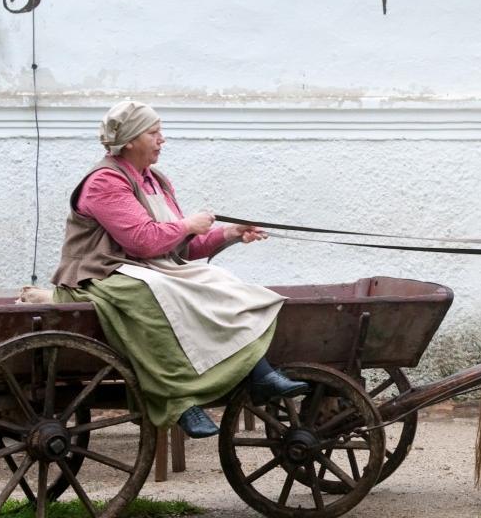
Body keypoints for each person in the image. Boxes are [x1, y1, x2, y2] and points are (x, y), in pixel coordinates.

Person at [53, 100, 308, 439]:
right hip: (99, 274)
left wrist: (229, 233)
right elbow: (143, 240)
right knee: (156, 295)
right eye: (154, 132)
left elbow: (178, 248)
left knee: (220, 281)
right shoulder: (104, 182)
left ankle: (257, 374)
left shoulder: (155, 180)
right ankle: (179, 399)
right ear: (130, 140)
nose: (162, 139)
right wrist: (188, 224)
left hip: (150, 267)